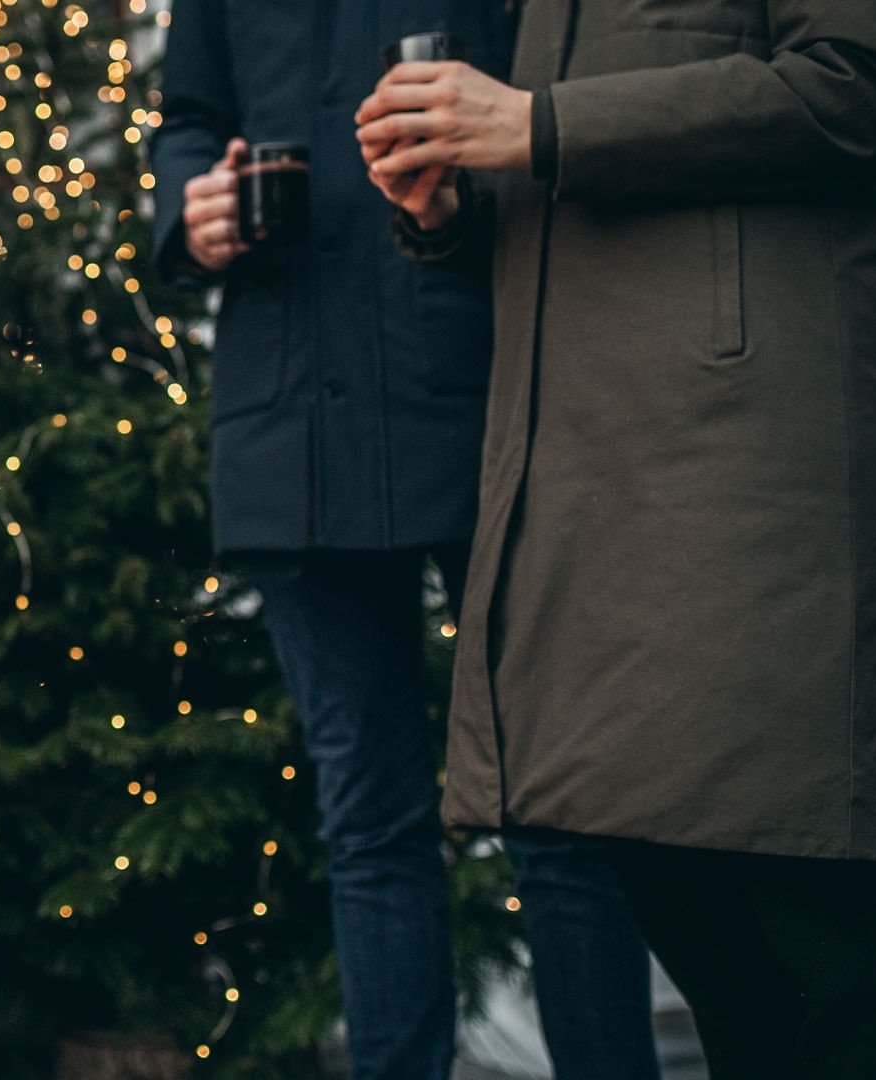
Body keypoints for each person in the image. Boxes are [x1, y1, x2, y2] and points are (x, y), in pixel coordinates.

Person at [355, 1, 876, 1076]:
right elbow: (564, 165)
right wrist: (449, 205)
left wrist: (538, 125)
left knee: (819, 938)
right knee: (706, 933)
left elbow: (860, 86)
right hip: (594, 482)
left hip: (751, 478)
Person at [151, 3, 661, 1078]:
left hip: (487, 401)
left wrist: (461, 199)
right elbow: (188, 119)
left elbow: (550, 112)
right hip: (292, 426)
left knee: (555, 809)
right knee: (368, 819)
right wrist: (188, 210)